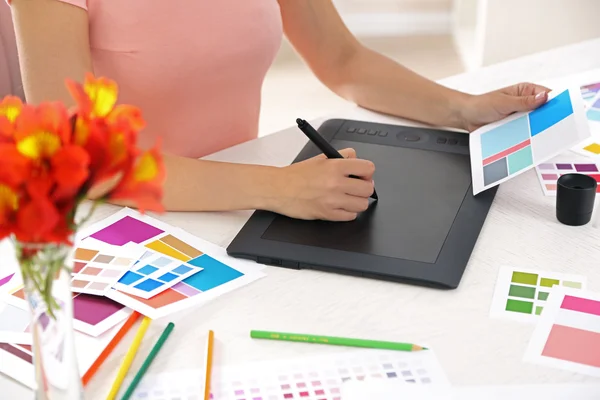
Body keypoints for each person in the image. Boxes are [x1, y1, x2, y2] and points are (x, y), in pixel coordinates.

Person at [5, 0, 549, 221]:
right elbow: (79, 156)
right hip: (117, 223)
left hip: (237, 208)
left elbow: (343, 59)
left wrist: (464, 108)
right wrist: (278, 189)